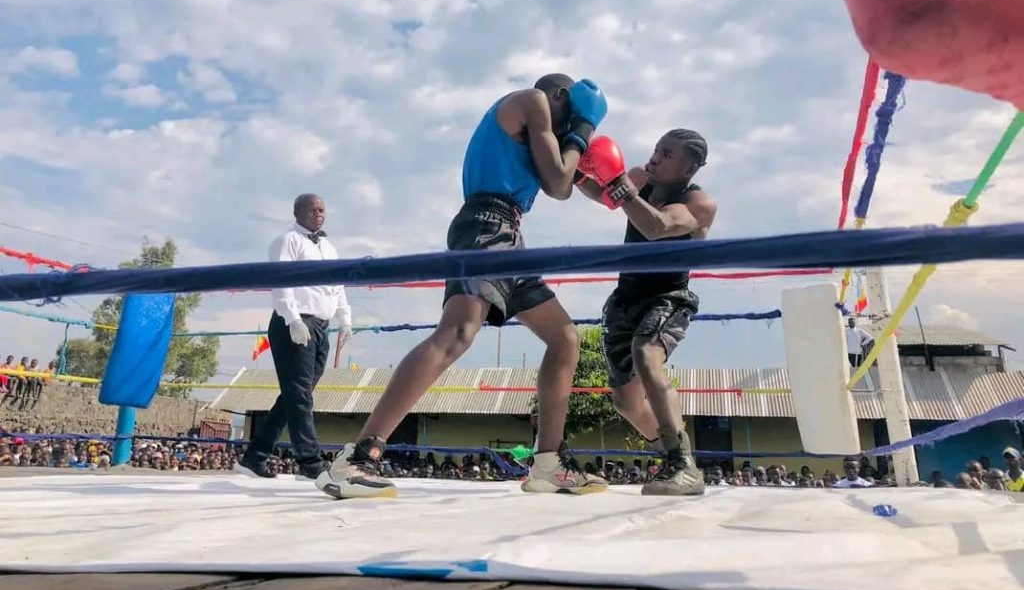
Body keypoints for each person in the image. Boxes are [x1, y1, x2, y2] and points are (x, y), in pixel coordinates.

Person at [316, 74, 611, 499]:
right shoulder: (532, 101)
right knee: (457, 333)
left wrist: (614, 180)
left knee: (564, 338)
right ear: (561, 96)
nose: (570, 126)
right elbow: (559, 184)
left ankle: (548, 463)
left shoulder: (537, 134)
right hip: (485, 226)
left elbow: (579, 184)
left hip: (510, 237)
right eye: (572, 114)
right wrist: (584, 129)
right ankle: (358, 456)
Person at [573, 129, 716, 496]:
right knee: (625, 402)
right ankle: (677, 458)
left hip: (667, 295)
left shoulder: (699, 204)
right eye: (656, 150)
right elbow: (601, 194)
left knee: (647, 354)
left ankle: (680, 463)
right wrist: (574, 167)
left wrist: (621, 184)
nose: (655, 158)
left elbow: (658, 226)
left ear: (690, 167)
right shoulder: (638, 178)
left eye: (667, 155)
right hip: (625, 298)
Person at [236, 193, 353, 481]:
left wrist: (345, 317)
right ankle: (309, 462)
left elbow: (336, 284)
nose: (318, 214)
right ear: (297, 212)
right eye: (312, 209)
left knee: (296, 395)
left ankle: (255, 456)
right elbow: (281, 284)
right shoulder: (286, 240)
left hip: (321, 326)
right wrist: (293, 319)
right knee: (299, 396)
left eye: (322, 209)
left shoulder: (329, 246)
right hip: (294, 324)